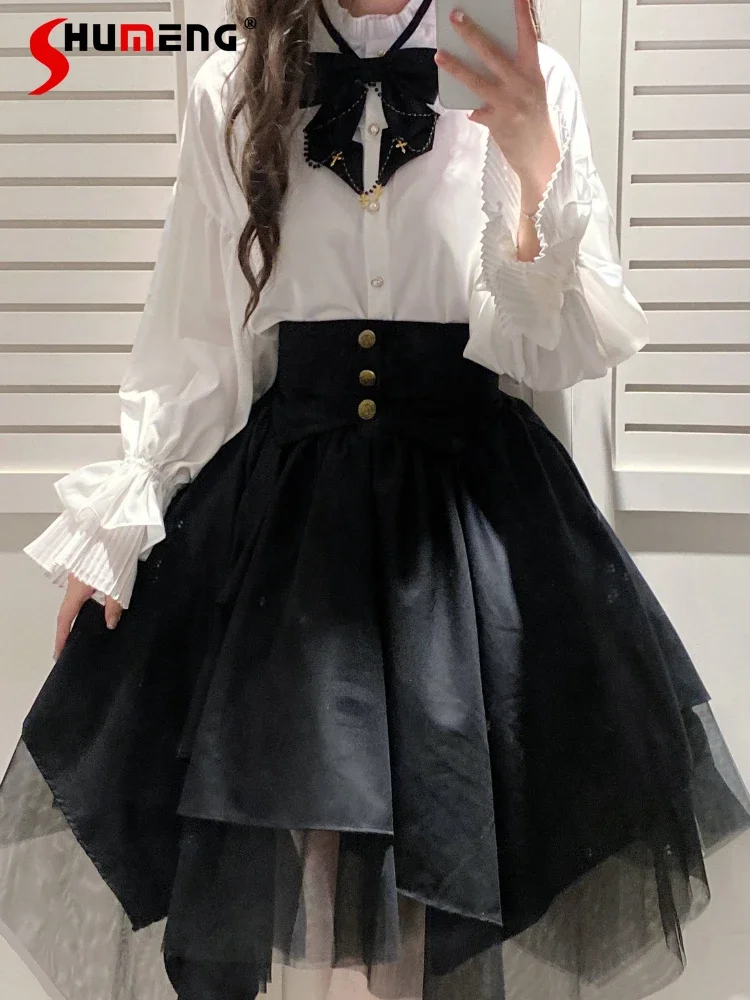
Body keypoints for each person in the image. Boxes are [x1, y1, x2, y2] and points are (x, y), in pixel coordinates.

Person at [0, 0, 748, 998]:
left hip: (467, 524)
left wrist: (533, 163)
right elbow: (199, 336)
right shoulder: (234, 87)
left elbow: (559, 349)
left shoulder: (527, 76)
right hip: (289, 531)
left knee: (443, 875)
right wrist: (126, 518)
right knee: (289, 857)